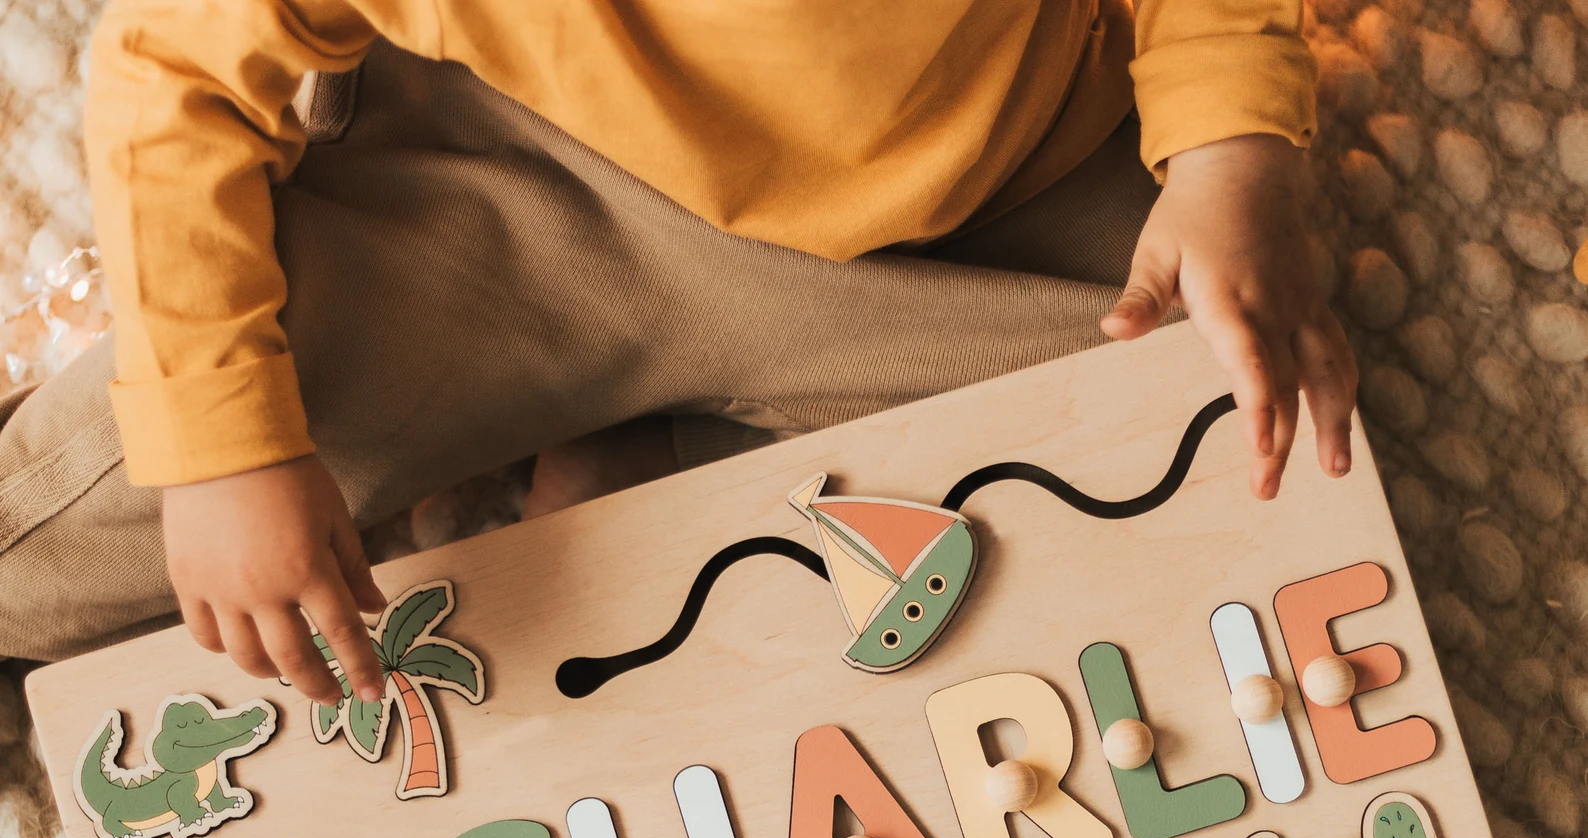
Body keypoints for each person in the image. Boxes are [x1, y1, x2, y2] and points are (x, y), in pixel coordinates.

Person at [0, 0, 1356, 700]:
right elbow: (166, 83)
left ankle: (661, 440)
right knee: (145, 499)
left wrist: (1232, 157)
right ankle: (632, 417)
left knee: (1242, 433)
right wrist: (229, 452)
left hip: (975, 218)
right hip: (526, 191)